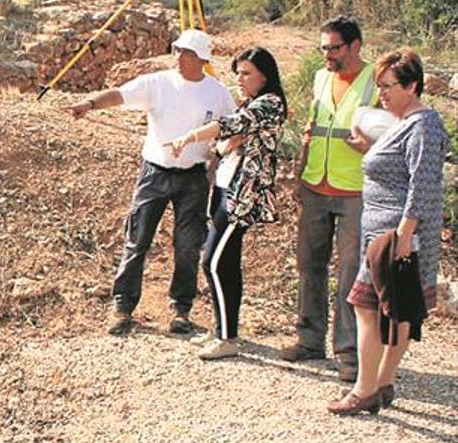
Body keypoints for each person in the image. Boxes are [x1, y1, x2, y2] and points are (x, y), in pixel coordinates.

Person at [67, 29, 236, 335]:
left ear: (200, 58)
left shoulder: (218, 93)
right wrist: (90, 104)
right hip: (155, 174)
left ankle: (180, 311)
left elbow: (232, 128)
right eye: (177, 51)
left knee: (187, 246)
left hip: (193, 178)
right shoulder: (158, 83)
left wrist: (216, 161)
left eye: (184, 52)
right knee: (137, 240)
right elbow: (120, 94)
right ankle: (122, 307)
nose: (177, 58)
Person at [327, 50, 447, 415]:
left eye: (389, 86)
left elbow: (423, 185)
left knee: (367, 305)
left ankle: (366, 389)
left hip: (395, 235)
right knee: (392, 310)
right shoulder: (404, 122)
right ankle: (381, 384)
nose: (382, 93)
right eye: (379, 86)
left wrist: (404, 238)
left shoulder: (423, 124)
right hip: (384, 232)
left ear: (412, 85)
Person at [170, 47, 287, 359]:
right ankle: (223, 330)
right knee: (225, 263)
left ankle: (227, 339)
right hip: (225, 190)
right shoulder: (251, 104)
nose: (239, 78)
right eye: (237, 72)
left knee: (214, 261)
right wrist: (224, 144)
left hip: (243, 197)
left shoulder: (269, 104)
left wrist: (189, 138)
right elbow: (224, 144)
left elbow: (227, 128)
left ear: (265, 75)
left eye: (246, 73)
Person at [280, 16, 380, 382]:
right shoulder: (322, 78)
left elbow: (392, 133)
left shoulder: (375, 81)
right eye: (323, 48)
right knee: (309, 266)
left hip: (356, 189)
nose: (327, 55)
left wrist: (371, 146)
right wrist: (299, 174)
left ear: (355, 46)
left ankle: (349, 354)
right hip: (315, 185)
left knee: (350, 274)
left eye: (334, 48)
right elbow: (312, 128)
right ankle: (309, 340)